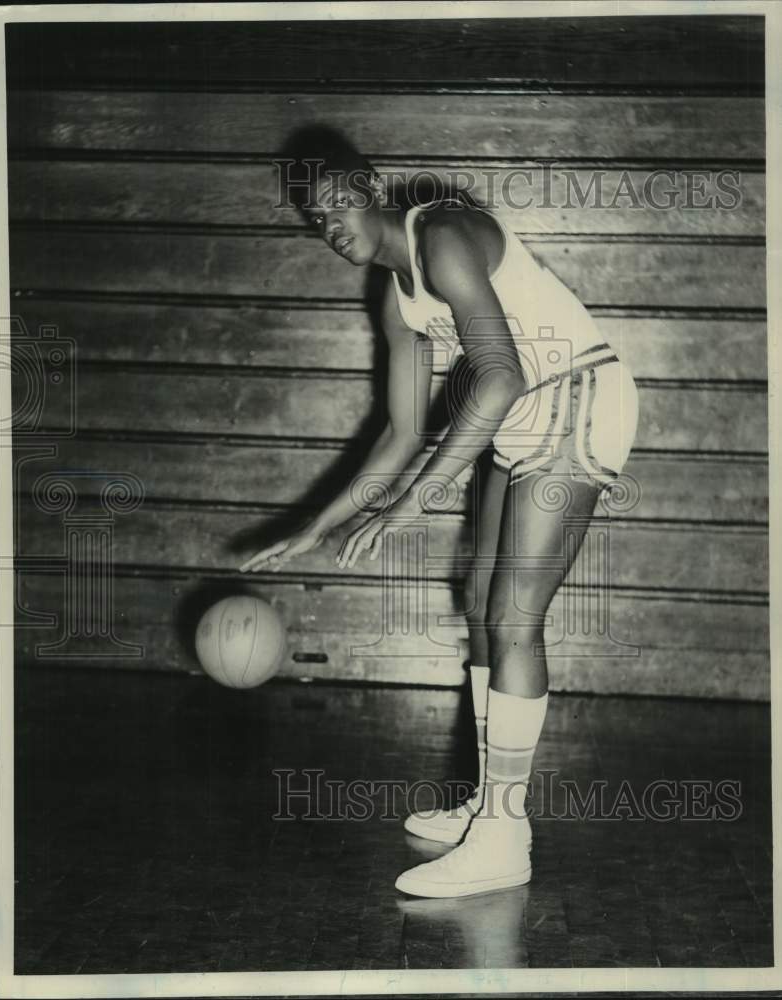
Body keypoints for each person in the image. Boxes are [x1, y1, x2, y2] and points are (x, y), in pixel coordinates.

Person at [239, 127, 639, 898]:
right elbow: (399, 432)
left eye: (337, 205)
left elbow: (498, 377)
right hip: (523, 419)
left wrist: (412, 504)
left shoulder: (444, 233)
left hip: (577, 399)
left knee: (515, 617)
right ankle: (487, 808)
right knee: (478, 603)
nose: (330, 226)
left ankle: (503, 837)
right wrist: (312, 527)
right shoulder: (394, 298)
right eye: (314, 219)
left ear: (372, 189)